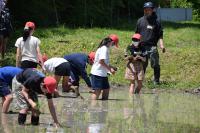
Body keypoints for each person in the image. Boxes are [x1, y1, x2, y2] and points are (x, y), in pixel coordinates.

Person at [135, 2, 166, 85]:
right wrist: (134, 45)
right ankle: (140, 82)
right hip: (141, 47)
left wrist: (161, 45)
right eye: (145, 9)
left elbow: (160, 35)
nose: (147, 11)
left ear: (153, 10)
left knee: (155, 64)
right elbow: (136, 35)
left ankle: (156, 81)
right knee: (142, 65)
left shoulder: (157, 21)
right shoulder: (140, 21)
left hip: (152, 47)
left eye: (149, 9)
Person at [90, 34, 119, 100]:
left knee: (106, 89)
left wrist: (112, 67)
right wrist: (110, 69)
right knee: (97, 91)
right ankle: (93, 108)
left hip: (103, 74)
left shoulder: (105, 48)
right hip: (98, 73)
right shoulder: (104, 49)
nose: (113, 46)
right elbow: (101, 62)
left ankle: (104, 107)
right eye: (114, 44)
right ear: (112, 42)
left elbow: (104, 62)